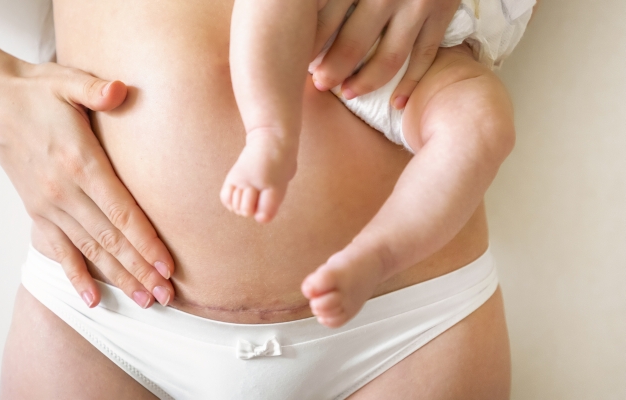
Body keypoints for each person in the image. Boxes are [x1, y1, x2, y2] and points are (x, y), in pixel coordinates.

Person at [0, 0, 535, 398]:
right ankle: (273, 139)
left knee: (481, 124)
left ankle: (375, 247)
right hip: (104, 320)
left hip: (408, 328)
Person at [224, 0, 533, 327]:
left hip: (439, 58)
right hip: (321, 18)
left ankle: (379, 254)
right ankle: (269, 133)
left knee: (484, 123)